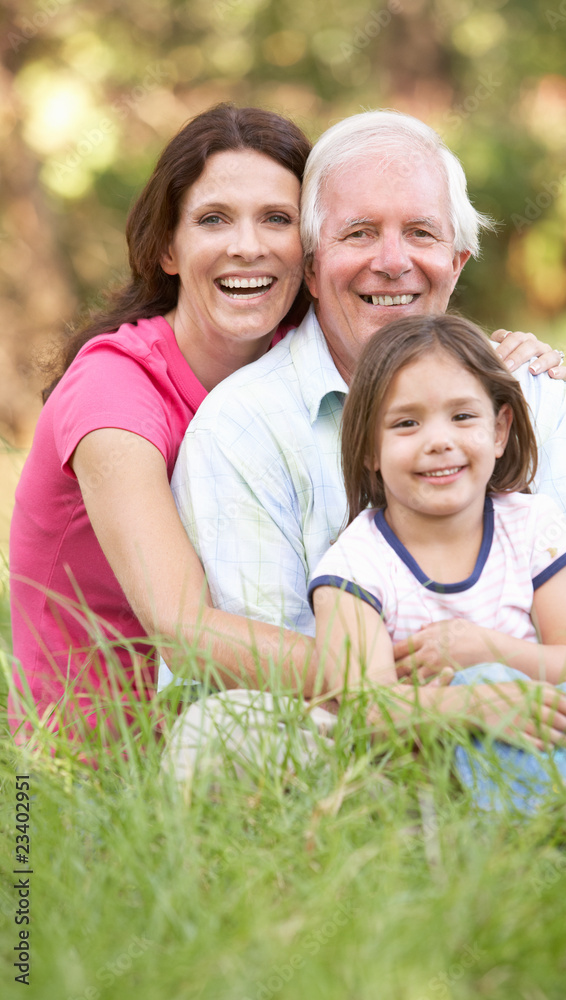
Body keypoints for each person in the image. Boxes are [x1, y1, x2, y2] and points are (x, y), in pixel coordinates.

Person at [171, 109, 566, 760]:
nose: (393, 262)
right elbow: (282, 656)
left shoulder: (529, 391)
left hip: (554, 701)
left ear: (455, 262)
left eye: (421, 233)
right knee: (223, 737)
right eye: (360, 232)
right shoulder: (242, 428)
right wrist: (458, 706)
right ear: (313, 268)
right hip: (361, 724)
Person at [8, 102, 316, 744]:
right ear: (168, 249)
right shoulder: (114, 393)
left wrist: (499, 359)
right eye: (213, 220)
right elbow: (185, 629)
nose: (247, 246)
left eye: (277, 219)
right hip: (91, 774)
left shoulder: (296, 360)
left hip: (244, 726)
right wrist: (390, 682)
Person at [308, 314, 566, 812]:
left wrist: (484, 649)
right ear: (368, 448)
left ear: (499, 429)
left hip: (544, 721)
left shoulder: (532, 523)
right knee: (483, 684)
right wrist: (475, 704)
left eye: (463, 417)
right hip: (432, 754)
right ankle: (559, 820)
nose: (439, 441)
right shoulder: (353, 566)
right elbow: (367, 707)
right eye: (407, 423)